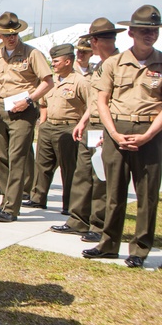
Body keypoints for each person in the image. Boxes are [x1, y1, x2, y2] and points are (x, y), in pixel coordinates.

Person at [83, 5, 162, 269]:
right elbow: (102, 100)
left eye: (154, 30)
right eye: (143, 30)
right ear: (131, 32)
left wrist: (149, 134)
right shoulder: (114, 63)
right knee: (114, 193)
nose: (149, 35)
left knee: (147, 196)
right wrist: (114, 133)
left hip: (150, 134)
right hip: (116, 131)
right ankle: (108, 245)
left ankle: (139, 249)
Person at [0, 12, 53, 222]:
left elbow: (48, 82)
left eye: (15, 34)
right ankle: (5, 199)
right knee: (0, 157)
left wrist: (30, 100)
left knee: (17, 157)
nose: (12, 38)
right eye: (7, 34)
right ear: (0, 35)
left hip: (23, 111)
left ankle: (11, 208)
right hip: (1, 108)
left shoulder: (32, 53)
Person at [52, 19, 123, 240]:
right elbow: (94, 100)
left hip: (106, 127)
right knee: (82, 174)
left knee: (100, 178)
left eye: (91, 41)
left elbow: (116, 101)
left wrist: (107, 129)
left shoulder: (119, 64)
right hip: (90, 124)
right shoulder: (98, 66)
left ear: (96, 41)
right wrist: (83, 121)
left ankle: (98, 225)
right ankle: (78, 220)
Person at [25, 44, 88, 214]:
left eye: (56, 61)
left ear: (68, 61)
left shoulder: (80, 81)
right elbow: (43, 104)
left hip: (69, 129)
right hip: (48, 127)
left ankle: (69, 205)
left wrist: (81, 125)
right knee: (42, 165)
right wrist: (43, 123)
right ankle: (38, 198)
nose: (53, 64)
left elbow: (92, 106)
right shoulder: (50, 80)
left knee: (69, 169)